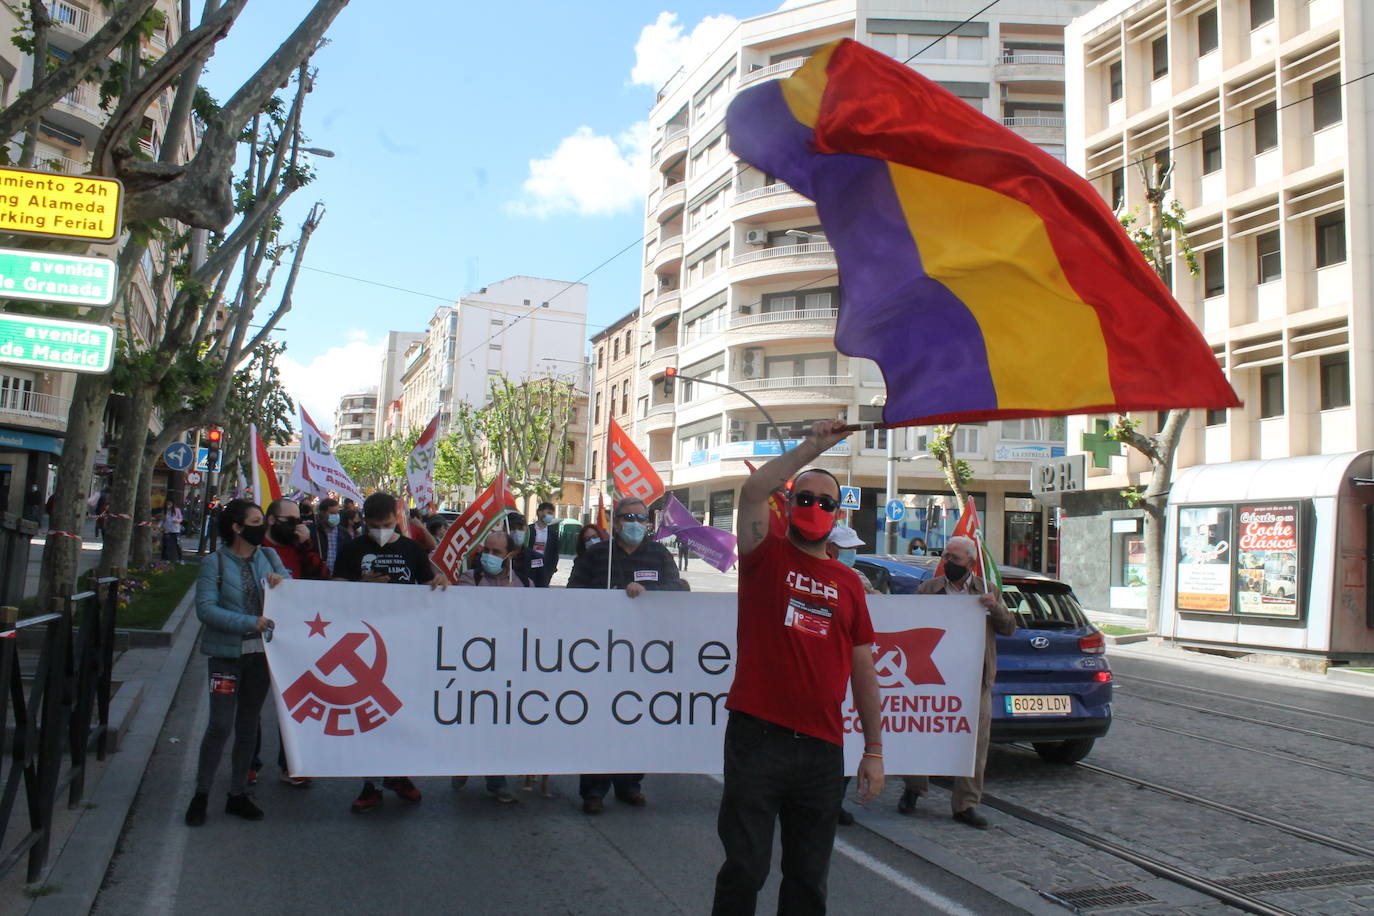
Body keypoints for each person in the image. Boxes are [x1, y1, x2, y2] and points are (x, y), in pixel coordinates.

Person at [712, 420, 884, 915]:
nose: (814, 508)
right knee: (745, 868)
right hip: (757, 741)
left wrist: (873, 749)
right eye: (804, 499)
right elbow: (753, 490)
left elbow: (863, 671)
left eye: (826, 502)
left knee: (808, 882)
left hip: (821, 752)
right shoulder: (764, 556)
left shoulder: (849, 584)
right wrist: (812, 448)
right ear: (787, 507)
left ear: (838, 514)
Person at [333, 492, 450, 813]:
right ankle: (370, 784)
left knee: (400, 713)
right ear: (364, 523)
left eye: (386, 525)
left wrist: (439, 581)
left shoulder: (411, 550)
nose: (381, 531)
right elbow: (333, 592)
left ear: (396, 521)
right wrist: (360, 585)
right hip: (363, 648)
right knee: (370, 716)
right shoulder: (352, 550)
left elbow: (430, 583)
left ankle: (398, 774)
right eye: (374, 526)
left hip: (404, 643)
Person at [567, 497, 686, 813]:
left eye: (640, 517)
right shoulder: (596, 556)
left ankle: (630, 783)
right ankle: (593, 789)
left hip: (645, 654)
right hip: (599, 653)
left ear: (648, 523)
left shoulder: (659, 554)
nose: (634, 522)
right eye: (627, 517)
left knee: (636, 718)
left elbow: (678, 589)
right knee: (599, 720)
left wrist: (649, 594)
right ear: (615, 522)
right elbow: (571, 595)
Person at [897, 534, 1015, 829]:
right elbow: (908, 624)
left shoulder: (986, 590)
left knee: (975, 742)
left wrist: (995, 607)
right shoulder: (928, 590)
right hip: (931, 676)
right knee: (921, 731)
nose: (947, 562)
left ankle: (965, 804)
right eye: (945, 556)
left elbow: (1009, 628)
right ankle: (914, 788)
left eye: (954, 558)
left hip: (974, 680)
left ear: (971, 563)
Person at [184, 499, 288, 827]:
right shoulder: (214, 563)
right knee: (219, 724)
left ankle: (237, 793)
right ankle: (201, 793)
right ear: (237, 527)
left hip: (260, 657)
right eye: (256, 521)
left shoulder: (269, 556)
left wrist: (280, 584)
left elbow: (290, 592)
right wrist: (248, 622)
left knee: (249, 725)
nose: (263, 526)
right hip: (226, 657)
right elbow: (206, 610)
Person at [451, 529, 529, 803]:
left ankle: (495, 780)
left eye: (497, 552)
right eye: (487, 550)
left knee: (498, 722)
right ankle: (464, 765)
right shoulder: (470, 578)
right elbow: (466, 613)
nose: (490, 556)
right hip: (474, 663)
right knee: (473, 719)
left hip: (507, 665)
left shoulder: (523, 583)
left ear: (511, 555)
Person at [826, 524, 879, 595]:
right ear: (829, 547)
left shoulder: (858, 576)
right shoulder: (820, 574)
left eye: (855, 548)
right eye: (847, 547)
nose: (851, 551)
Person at [307, 497, 352, 575]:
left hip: (338, 577)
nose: (336, 516)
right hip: (317, 577)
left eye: (337, 513)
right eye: (332, 513)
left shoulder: (344, 533)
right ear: (322, 513)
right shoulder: (312, 531)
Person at [527, 500, 561, 587]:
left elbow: (555, 553)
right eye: (548, 513)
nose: (550, 516)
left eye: (552, 514)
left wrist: (551, 569)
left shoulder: (552, 533)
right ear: (539, 512)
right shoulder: (528, 530)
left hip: (545, 569)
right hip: (529, 567)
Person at [161, 497, 185, 563]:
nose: (168, 505)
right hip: (167, 529)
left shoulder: (177, 510)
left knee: (178, 545)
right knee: (167, 545)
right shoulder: (165, 511)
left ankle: (180, 559)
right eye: (167, 504)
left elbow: (181, 518)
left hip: (175, 530)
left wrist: (177, 521)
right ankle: (167, 559)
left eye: (169, 504)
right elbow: (163, 521)